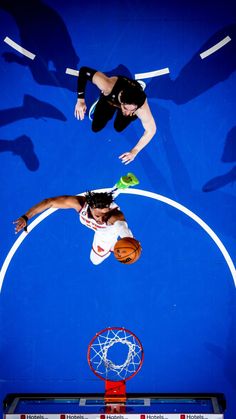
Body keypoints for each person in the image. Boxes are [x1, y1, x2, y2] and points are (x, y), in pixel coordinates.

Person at [13, 174, 139, 265]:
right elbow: (49, 202)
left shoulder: (113, 216)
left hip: (106, 233)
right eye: (98, 215)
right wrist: (26, 216)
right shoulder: (80, 204)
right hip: (97, 212)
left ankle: (112, 246)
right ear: (90, 208)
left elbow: (122, 227)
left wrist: (132, 243)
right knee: (103, 199)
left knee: (95, 261)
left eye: (103, 214)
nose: (101, 219)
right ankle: (120, 185)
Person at [74, 67, 157, 164]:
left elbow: (151, 130)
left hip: (127, 102)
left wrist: (134, 151)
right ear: (121, 100)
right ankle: (101, 100)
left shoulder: (141, 107)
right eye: (126, 108)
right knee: (96, 127)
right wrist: (80, 100)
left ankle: (138, 86)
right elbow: (84, 71)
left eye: (132, 110)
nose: (127, 113)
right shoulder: (108, 86)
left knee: (119, 127)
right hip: (110, 99)